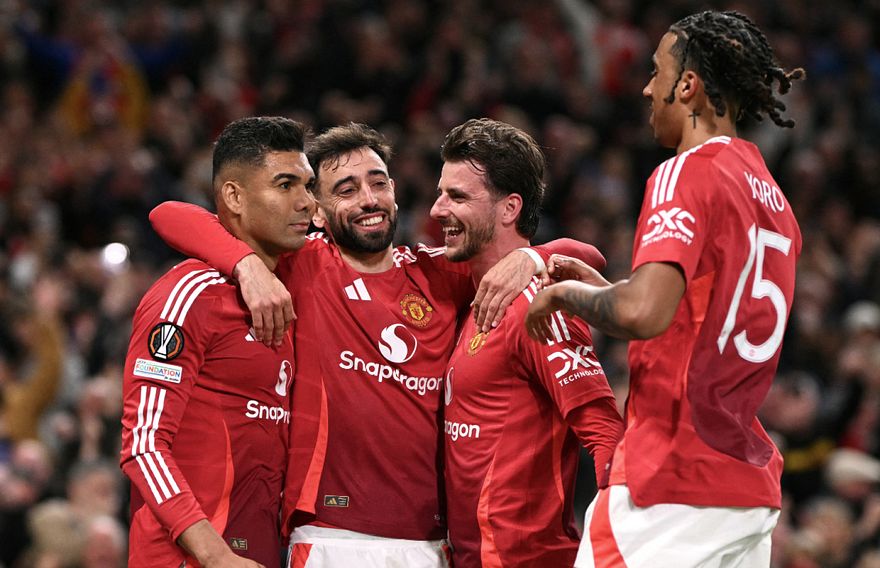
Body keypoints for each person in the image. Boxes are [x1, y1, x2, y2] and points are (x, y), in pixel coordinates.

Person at [148, 123, 603, 567]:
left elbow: (587, 255)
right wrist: (245, 265)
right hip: (331, 539)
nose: (368, 199)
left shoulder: (440, 273)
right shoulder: (303, 265)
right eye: (346, 190)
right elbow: (167, 214)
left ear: (394, 192)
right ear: (317, 212)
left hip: (434, 546)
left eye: (378, 183)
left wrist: (532, 255)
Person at [525, 10, 805, 567]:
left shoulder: (686, 171)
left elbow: (643, 312)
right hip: (743, 491)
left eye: (657, 72)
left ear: (688, 85)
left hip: (672, 480)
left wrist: (562, 296)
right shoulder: (775, 201)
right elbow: (694, 315)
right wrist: (608, 289)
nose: (648, 89)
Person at [120, 116, 316, 568]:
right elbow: (144, 445)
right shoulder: (189, 294)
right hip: (189, 559)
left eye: (308, 186)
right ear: (234, 196)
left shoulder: (285, 291)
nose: (306, 201)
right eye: (285, 185)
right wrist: (215, 555)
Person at [430, 118, 624, 567]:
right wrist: (537, 255)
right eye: (441, 193)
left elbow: (606, 435)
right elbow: (588, 251)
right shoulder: (472, 298)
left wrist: (613, 551)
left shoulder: (537, 305)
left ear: (509, 208)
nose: (438, 210)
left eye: (458, 196)